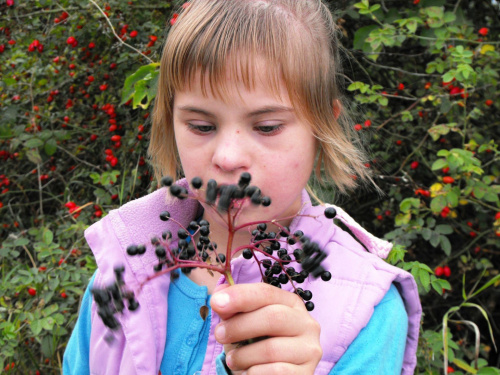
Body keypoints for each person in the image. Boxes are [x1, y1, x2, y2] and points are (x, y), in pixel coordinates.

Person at [63, 1, 422, 374]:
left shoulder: (365, 311)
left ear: (321, 128)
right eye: (202, 126)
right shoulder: (124, 269)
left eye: (267, 127)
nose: (229, 157)